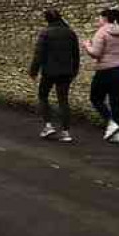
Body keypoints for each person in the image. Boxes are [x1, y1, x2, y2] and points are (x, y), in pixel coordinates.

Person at [29, 9, 80, 143]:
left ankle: (48, 125)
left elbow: (38, 54)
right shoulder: (70, 33)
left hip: (49, 71)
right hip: (66, 72)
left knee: (43, 95)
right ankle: (66, 132)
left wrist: (33, 71)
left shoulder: (45, 33)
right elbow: (76, 54)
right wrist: (74, 70)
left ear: (47, 20)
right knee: (63, 100)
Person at [84, 8, 119, 144]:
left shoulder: (102, 32)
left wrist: (87, 45)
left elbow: (96, 53)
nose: (98, 21)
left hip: (106, 70)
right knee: (116, 102)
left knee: (95, 98)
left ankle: (111, 124)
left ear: (104, 19)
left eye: (99, 18)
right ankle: (117, 134)